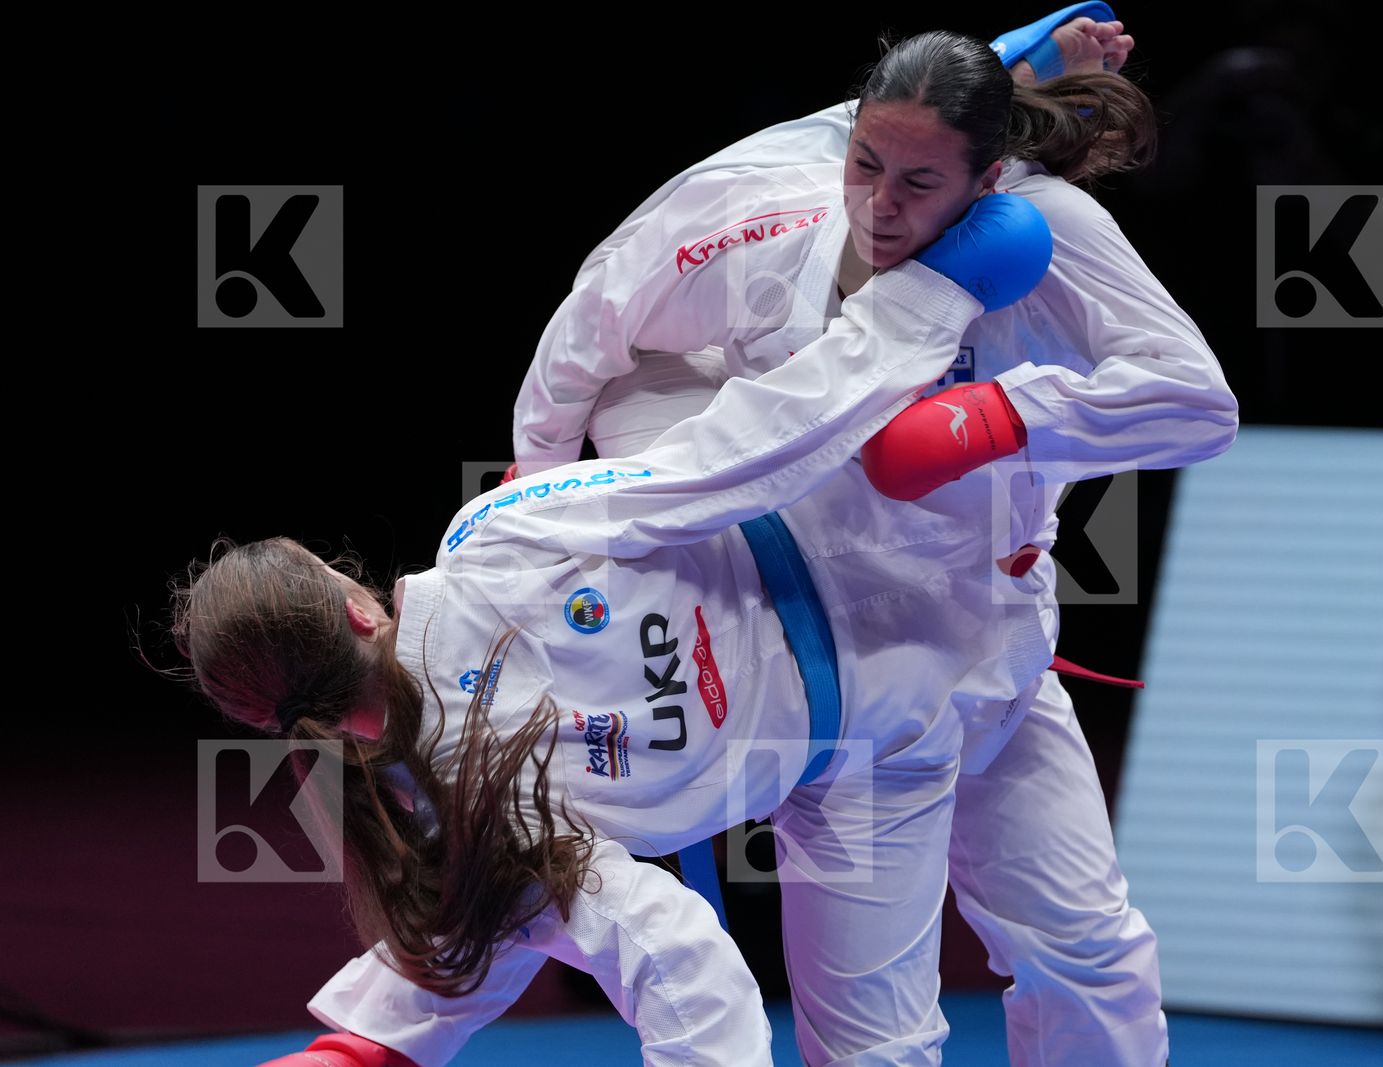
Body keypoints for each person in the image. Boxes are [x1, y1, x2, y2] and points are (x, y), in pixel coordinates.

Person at [500, 13, 1237, 1066]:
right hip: (855, 686)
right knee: (872, 1041)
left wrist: (1002, 419)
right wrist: (542, 497)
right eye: (866, 165)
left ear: (989, 179)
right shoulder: (761, 201)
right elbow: (587, 330)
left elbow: (1197, 403)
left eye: (921, 185)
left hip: (1000, 647)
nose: (880, 206)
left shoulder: (1054, 231)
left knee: (1090, 950)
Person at [176, 200, 1062, 1067]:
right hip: (884, 583)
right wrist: (929, 300)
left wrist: (359, 1048)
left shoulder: (454, 817)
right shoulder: (490, 543)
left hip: (877, 724)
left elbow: (678, 964)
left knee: (894, 1041)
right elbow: (724, 460)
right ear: (354, 606)